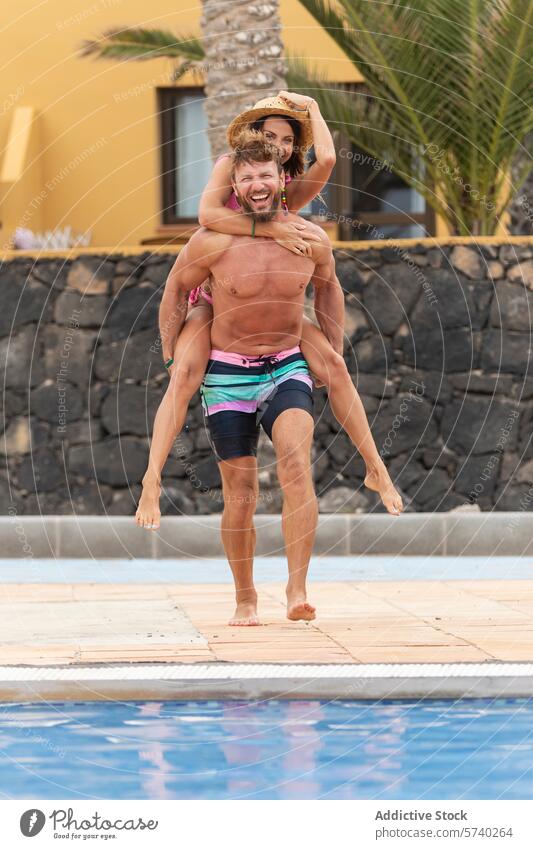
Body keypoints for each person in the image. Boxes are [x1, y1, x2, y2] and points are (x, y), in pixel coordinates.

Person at [148, 135, 401, 625]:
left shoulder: (311, 238)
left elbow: (330, 292)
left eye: (265, 175)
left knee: (295, 467)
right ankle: (245, 596)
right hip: (226, 374)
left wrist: (331, 346)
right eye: (246, 178)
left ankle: (296, 588)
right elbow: (175, 288)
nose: (257, 184)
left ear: (282, 179)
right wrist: (168, 346)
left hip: (285, 365)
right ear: (235, 187)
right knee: (240, 496)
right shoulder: (212, 241)